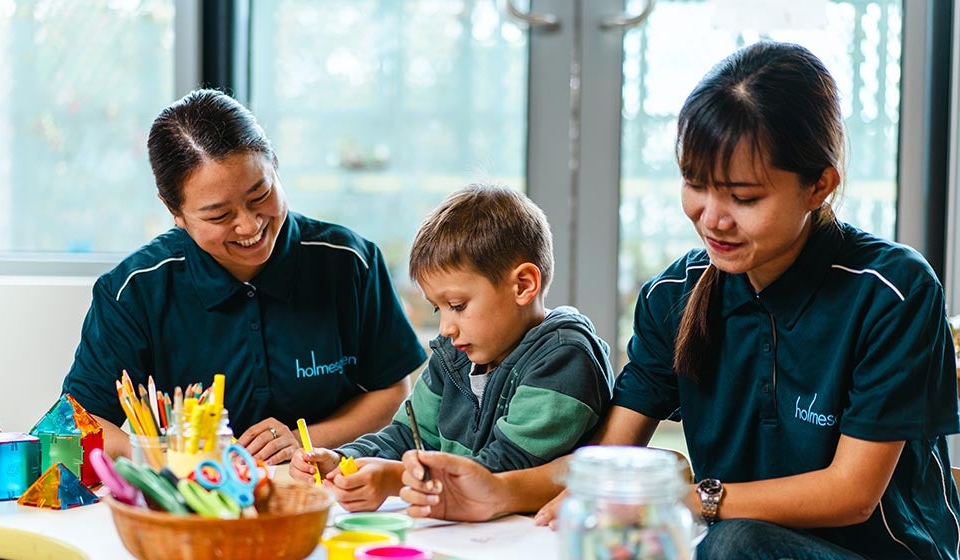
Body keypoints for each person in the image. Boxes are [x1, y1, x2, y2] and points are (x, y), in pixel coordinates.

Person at [398, 42, 960, 559]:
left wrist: (692, 498)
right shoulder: (674, 296)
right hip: (732, 543)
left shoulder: (892, 290)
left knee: (730, 544)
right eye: (695, 184)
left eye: (743, 196)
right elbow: (610, 455)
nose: (712, 219)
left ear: (819, 185)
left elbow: (851, 495)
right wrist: (495, 493)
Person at [61, 89, 427, 464]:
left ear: (275, 165)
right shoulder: (135, 290)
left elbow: (392, 389)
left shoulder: (349, 261)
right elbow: (78, 419)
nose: (249, 225)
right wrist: (163, 458)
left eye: (260, 194)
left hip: (323, 489)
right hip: (192, 499)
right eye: (219, 216)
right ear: (175, 211)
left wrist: (304, 440)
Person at [289, 183, 615, 511]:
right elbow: (405, 436)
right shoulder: (454, 354)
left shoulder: (565, 359)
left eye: (457, 305)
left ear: (523, 285)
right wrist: (345, 459)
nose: (446, 328)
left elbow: (508, 467)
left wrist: (395, 479)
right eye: (438, 308)